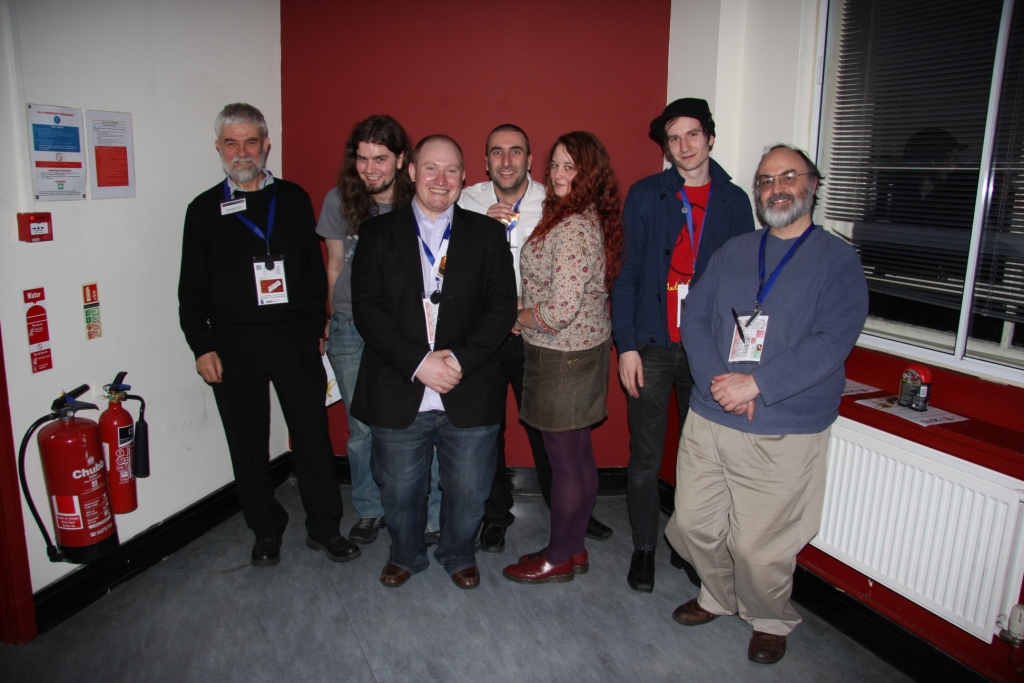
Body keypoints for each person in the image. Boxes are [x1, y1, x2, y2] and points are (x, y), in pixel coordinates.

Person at [664, 144, 868, 664]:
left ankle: (770, 617)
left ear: (813, 186)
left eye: (788, 176)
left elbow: (832, 340)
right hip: (711, 416)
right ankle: (719, 595)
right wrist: (717, 382)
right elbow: (695, 319)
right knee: (690, 526)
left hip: (784, 426)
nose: (776, 188)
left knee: (760, 547)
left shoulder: (838, 260)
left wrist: (756, 385)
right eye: (766, 180)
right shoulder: (734, 250)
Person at [178, 103, 359, 567]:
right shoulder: (202, 211)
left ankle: (324, 528)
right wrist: (202, 346)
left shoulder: (294, 198)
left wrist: (315, 327)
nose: (242, 152)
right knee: (247, 441)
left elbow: (311, 271)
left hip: (293, 340)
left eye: (251, 142)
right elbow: (191, 287)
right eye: (232, 143)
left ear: (266, 145)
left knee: (313, 438)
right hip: (233, 345)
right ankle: (265, 528)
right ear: (218, 148)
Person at [350, 135, 517, 590]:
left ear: (465, 178)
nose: (440, 180)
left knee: (469, 491)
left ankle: (459, 552)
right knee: (401, 491)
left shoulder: (486, 234)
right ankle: (405, 554)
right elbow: (366, 308)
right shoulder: (377, 234)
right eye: (430, 168)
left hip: (470, 384)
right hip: (399, 384)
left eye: (450, 171)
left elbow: (503, 307)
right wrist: (419, 363)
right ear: (411, 172)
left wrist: (459, 360)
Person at [612, 98, 755, 592]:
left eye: (692, 134)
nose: (683, 146)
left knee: (704, 459)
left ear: (710, 138)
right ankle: (646, 549)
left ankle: (690, 546)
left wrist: (740, 359)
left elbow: (744, 286)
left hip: (708, 350)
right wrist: (625, 345)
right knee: (646, 457)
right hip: (651, 345)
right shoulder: (647, 194)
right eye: (674, 138)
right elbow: (628, 273)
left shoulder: (735, 202)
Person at [458, 124, 613, 553]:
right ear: (485, 160)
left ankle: (570, 516)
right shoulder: (465, 201)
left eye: (516, 152)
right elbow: (444, 265)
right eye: (496, 152)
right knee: (486, 429)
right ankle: (495, 516)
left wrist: (521, 317)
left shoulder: (555, 200)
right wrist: (473, 230)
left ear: (529, 159)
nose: (506, 161)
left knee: (553, 435)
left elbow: (566, 291)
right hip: (486, 332)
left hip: (540, 334)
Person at [502, 131, 624, 584]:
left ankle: (556, 556)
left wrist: (519, 316)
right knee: (578, 456)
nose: (557, 174)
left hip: (563, 357)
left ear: (589, 172)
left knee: (564, 461)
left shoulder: (572, 226)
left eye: (569, 166)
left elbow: (558, 311)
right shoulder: (580, 214)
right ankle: (573, 550)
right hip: (583, 351)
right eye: (554, 164)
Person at [317, 115, 442, 546]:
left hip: (405, 328)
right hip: (350, 326)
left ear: (402, 160)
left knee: (423, 419)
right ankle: (370, 509)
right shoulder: (338, 200)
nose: (370, 168)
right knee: (362, 427)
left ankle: (429, 514)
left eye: (381, 159)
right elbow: (334, 265)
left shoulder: (420, 202)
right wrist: (330, 320)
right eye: (362, 158)